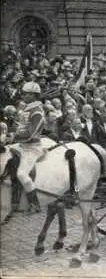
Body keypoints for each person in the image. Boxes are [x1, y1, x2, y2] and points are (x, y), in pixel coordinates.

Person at [11, 81, 45, 214]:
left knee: (22, 174)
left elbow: (30, 135)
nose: (23, 96)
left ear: (33, 96)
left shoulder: (37, 112)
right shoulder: (27, 109)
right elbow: (21, 128)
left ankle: (34, 204)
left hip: (32, 147)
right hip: (21, 145)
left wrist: (13, 136)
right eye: (24, 93)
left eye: (26, 94)